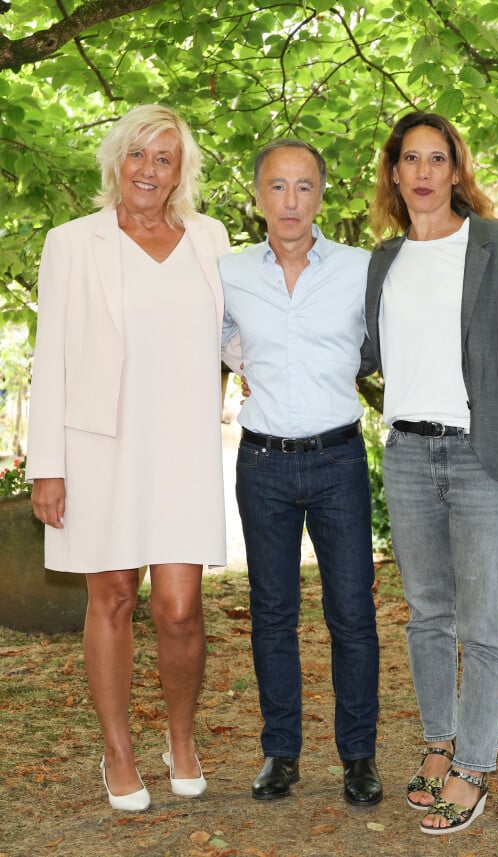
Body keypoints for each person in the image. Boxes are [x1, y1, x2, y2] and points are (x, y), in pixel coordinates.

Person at [26, 104, 234, 811]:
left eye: (165, 158)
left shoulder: (210, 238)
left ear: (182, 171)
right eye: (139, 154)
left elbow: (239, 336)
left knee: (179, 608)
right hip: (98, 447)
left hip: (183, 444)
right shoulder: (72, 242)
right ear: (117, 160)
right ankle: (117, 751)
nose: (149, 169)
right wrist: (45, 464)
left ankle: (181, 738)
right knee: (111, 596)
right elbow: (48, 357)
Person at [365, 111, 498, 834]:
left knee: (483, 622)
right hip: (410, 455)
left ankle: (475, 764)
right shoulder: (382, 262)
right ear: (394, 172)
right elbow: (354, 348)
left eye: (436, 158)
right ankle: (439, 745)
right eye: (409, 159)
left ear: (456, 169)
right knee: (426, 616)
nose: (422, 172)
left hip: (488, 455)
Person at [219, 140, 383, 806]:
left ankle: (359, 757)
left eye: (304, 187)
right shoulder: (227, 272)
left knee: (352, 613)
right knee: (272, 614)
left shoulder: (360, 268)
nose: (291, 202)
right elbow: (217, 340)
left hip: (339, 458)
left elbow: (377, 346)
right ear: (258, 194)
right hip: (261, 463)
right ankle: (280, 753)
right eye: (277, 187)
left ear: (322, 194)